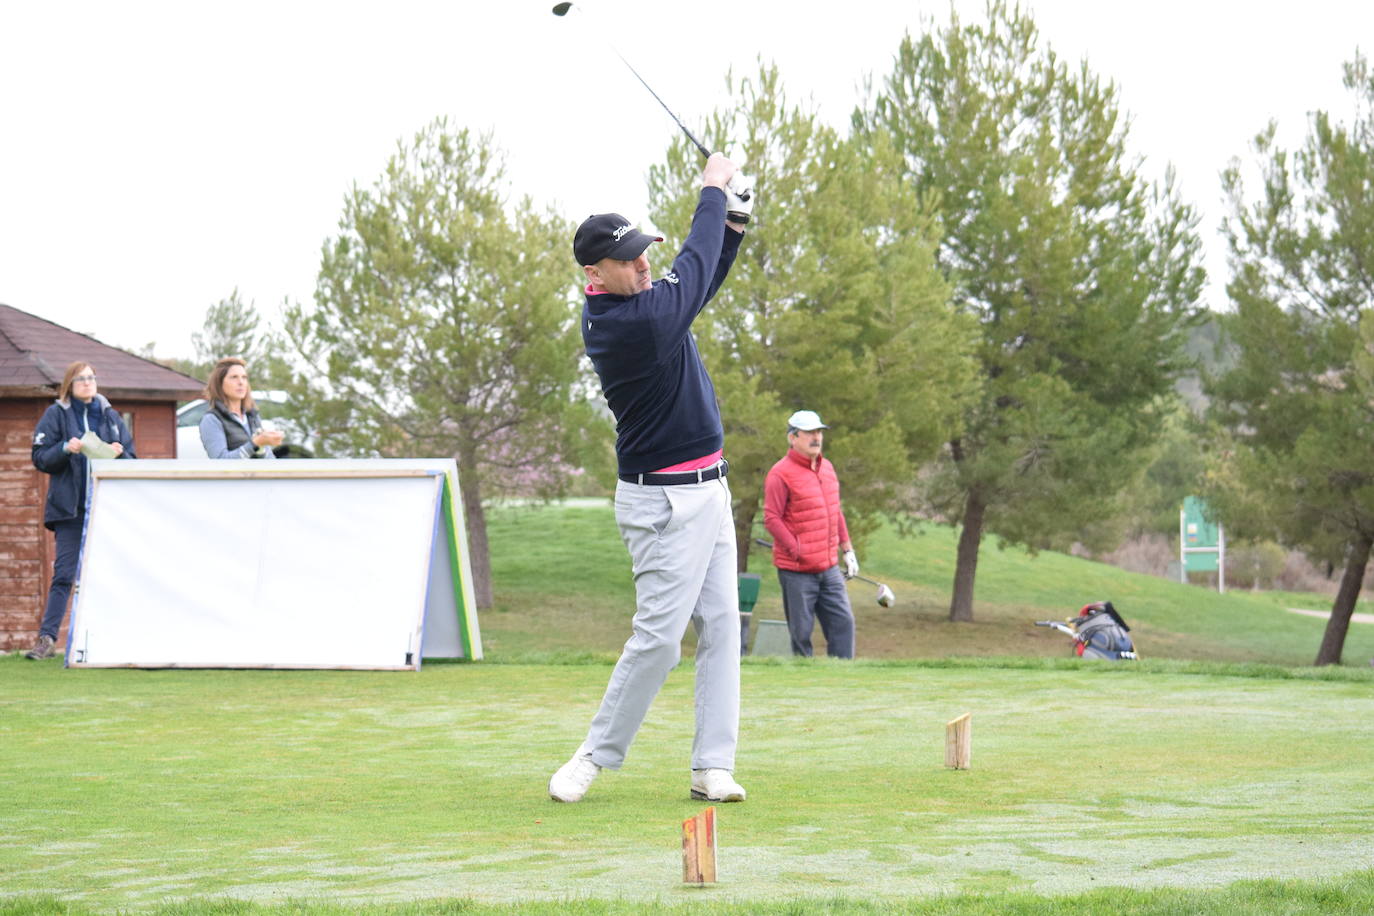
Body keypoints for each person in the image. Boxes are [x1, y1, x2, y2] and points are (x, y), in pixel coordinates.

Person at [548, 152, 753, 804]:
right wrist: (712, 191)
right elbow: (692, 271)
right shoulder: (625, 325)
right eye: (629, 258)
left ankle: (711, 765)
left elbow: (702, 276)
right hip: (661, 503)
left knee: (722, 627)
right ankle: (593, 755)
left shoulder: (646, 301)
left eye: (644, 253)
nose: (643, 264)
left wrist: (735, 221)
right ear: (594, 273)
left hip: (710, 491)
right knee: (660, 640)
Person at [27, 362, 137, 660]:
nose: (88, 383)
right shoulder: (56, 415)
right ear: (69, 384)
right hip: (70, 511)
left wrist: (120, 454)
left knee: (112, 574)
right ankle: (47, 639)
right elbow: (40, 457)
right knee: (64, 575)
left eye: (91, 378)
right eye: (81, 379)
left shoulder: (111, 416)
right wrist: (65, 448)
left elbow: (132, 458)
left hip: (107, 511)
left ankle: (115, 638)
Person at [763, 409, 859, 659]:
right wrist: (797, 550)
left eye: (818, 432)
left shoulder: (827, 468)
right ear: (793, 438)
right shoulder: (779, 473)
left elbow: (835, 511)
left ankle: (842, 679)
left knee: (843, 624)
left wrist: (847, 550)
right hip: (796, 572)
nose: (816, 437)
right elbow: (772, 519)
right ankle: (803, 683)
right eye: (809, 433)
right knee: (801, 634)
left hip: (828, 567)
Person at [198, 357, 283, 459]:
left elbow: (268, 459)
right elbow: (220, 462)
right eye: (234, 377)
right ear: (219, 383)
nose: (241, 382)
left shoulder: (252, 416)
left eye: (244, 377)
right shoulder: (211, 420)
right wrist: (255, 443)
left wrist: (264, 445)